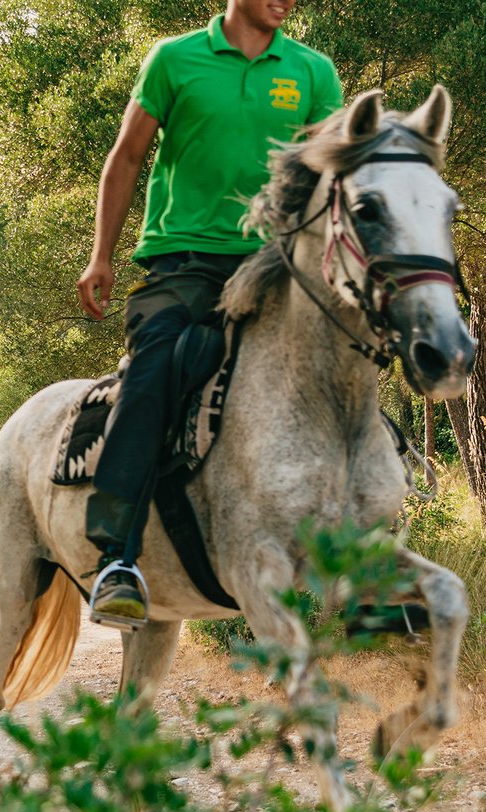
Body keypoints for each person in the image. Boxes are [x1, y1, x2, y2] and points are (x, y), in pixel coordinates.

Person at [76, 0, 343, 625]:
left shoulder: (312, 72)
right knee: (155, 372)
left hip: (278, 265)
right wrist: (101, 257)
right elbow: (127, 157)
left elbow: (333, 172)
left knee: (345, 359)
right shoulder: (175, 60)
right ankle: (117, 557)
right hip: (183, 262)